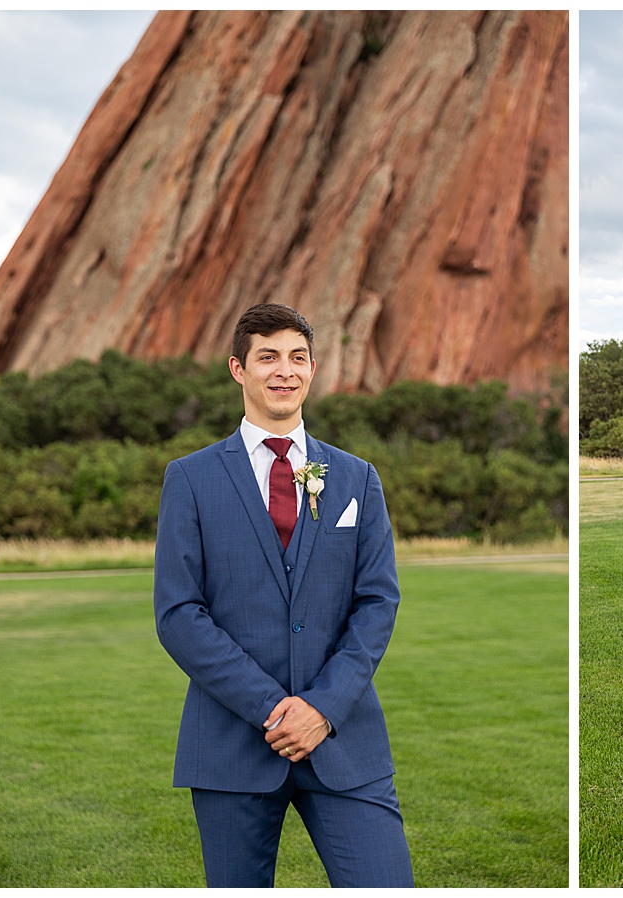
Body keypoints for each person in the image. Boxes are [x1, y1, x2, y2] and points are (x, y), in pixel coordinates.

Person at [154, 303, 414, 886]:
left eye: (297, 358)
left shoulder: (357, 478)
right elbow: (178, 614)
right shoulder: (190, 479)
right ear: (238, 369)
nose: (284, 371)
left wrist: (321, 708)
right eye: (267, 357)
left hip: (344, 739)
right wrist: (275, 712)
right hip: (231, 746)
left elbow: (377, 603)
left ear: (313, 369)